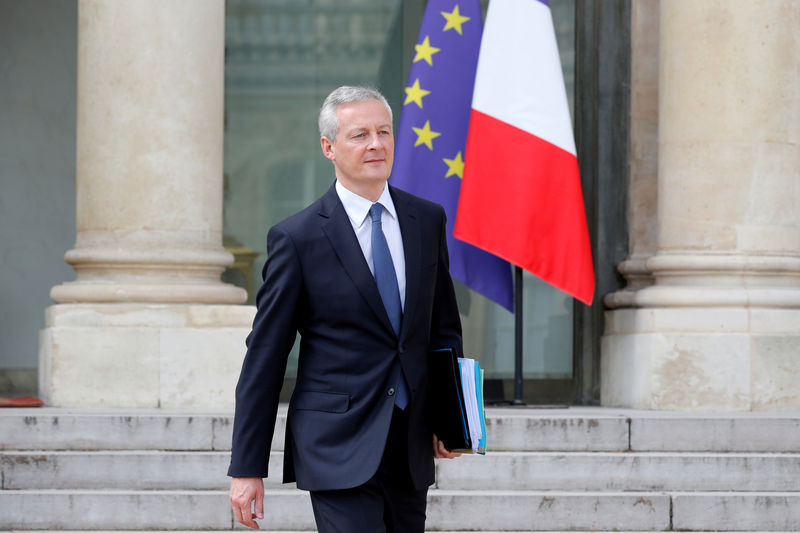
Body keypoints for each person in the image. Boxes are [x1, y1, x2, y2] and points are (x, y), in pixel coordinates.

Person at [228, 85, 463, 532]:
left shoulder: (426, 220)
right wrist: (247, 466)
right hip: (336, 442)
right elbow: (266, 358)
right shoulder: (297, 239)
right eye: (360, 135)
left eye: (384, 132)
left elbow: (443, 328)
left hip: (410, 441)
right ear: (329, 147)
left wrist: (449, 419)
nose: (376, 144)